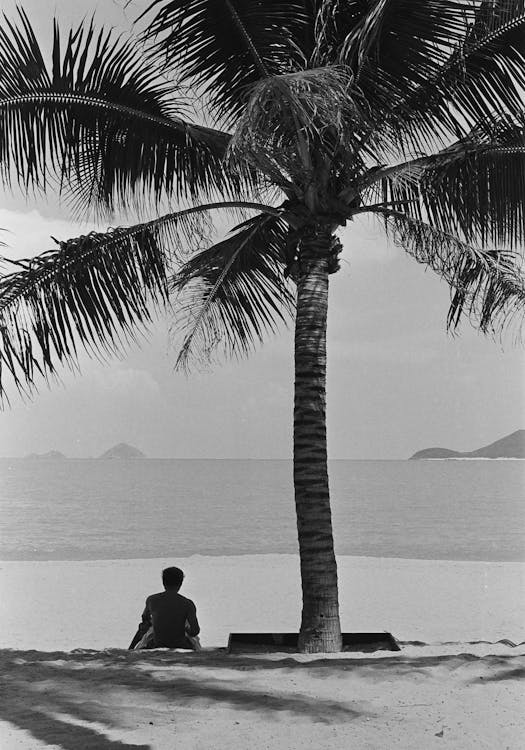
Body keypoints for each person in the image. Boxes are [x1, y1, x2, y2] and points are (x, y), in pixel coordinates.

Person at [129, 566, 200, 650]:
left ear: (163, 582)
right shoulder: (188, 603)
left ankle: (131, 649)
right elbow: (195, 631)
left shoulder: (152, 600)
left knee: (143, 626)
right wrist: (185, 628)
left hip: (157, 643)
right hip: (181, 644)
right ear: (181, 583)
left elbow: (145, 618)